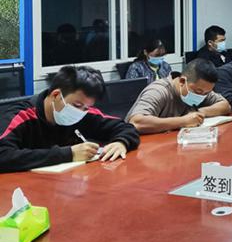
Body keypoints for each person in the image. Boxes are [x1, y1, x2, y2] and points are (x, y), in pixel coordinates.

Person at [0, 66, 140, 172]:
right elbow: (3, 155)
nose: (80, 112)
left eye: (86, 107)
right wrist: (68, 154)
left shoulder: (83, 113)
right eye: (77, 105)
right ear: (56, 95)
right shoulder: (20, 116)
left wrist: (121, 142)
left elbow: (126, 127)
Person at [126, 59, 231, 134]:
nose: (201, 96)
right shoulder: (159, 91)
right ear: (182, 81)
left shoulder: (202, 89)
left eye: (206, 93)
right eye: (198, 92)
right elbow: (136, 122)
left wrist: (199, 113)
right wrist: (183, 121)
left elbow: (225, 105)